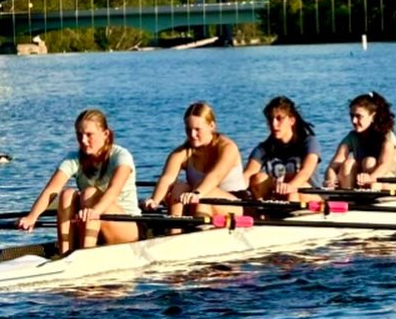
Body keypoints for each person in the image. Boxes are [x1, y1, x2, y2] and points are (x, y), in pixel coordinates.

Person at [18, 108, 139, 254]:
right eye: (79, 135)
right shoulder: (74, 158)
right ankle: (65, 253)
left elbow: (114, 190)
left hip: (127, 227)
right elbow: (51, 190)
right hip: (92, 222)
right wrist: (32, 217)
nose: (83, 140)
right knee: (67, 194)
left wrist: (95, 211)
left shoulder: (121, 156)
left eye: (89, 135)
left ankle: (86, 253)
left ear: (105, 134)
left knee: (89, 193)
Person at [143, 102, 247, 218]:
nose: (192, 135)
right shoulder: (183, 153)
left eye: (198, 129)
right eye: (188, 129)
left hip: (236, 204)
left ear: (211, 126)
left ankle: (198, 230)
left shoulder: (227, 147)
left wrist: (197, 193)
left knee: (204, 196)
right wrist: (154, 200)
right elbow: (167, 179)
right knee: (179, 188)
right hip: (198, 200)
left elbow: (216, 175)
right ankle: (175, 230)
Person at [323, 91, 396, 190]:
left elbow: (384, 165)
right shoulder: (351, 137)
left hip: (392, 180)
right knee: (348, 163)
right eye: (352, 116)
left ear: (373, 117)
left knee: (369, 162)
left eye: (358, 116)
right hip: (365, 180)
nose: (354, 121)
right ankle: (348, 197)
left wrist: (370, 179)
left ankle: (372, 194)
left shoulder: (387, 136)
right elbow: (333, 166)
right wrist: (331, 179)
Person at [244, 96, 322, 201]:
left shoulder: (309, 142)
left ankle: (289, 213)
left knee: (292, 189)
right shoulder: (264, 148)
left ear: (291, 120)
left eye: (279, 118)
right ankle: (264, 215)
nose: (274, 124)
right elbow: (247, 174)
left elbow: (306, 172)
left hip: (309, 195)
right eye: (270, 119)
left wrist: (290, 186)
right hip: (281, 197)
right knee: (258, 178)